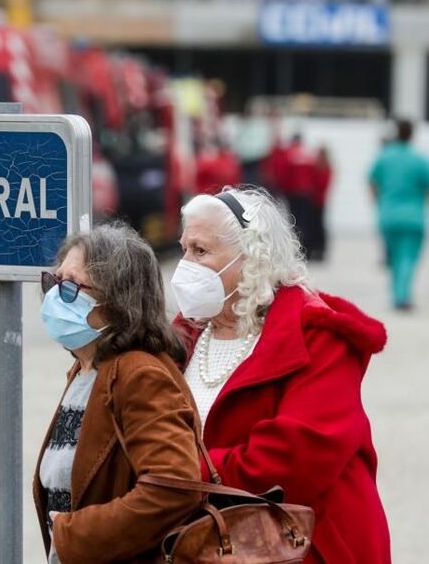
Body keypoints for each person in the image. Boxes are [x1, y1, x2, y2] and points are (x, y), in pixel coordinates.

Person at [171, 187, 391, 563]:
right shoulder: (185, 336)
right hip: (209, 538)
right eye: (184, 249)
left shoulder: (317, 337)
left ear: (252, 256)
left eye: (201, 251)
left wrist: (178, 471)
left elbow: (296, 457)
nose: (186, 264)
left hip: (304, 543)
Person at [33, 223, 202, 564]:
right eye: (53, 282)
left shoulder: (139, 374)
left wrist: (75, 534)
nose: (53, 297)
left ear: (117, 301)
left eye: (70, 288)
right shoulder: (86, 370)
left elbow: (174, 488)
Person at [369, 118, 429, 310]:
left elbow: (372, 181)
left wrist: (379, 201)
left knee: (394, 257)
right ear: (412, 134)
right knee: (408, 258)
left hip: (388, 215)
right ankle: (402, 296)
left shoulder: (385, 157)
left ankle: (397, 293)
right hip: (413, 216)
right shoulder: (419, 159)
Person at [308, 145, 333, 262]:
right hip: (312, 200)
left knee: (320, 225)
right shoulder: (314, 166)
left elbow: (323, 184)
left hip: (320, 200)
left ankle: (321, 249)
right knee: (312, 225)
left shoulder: (327, 168)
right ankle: (313, 249)